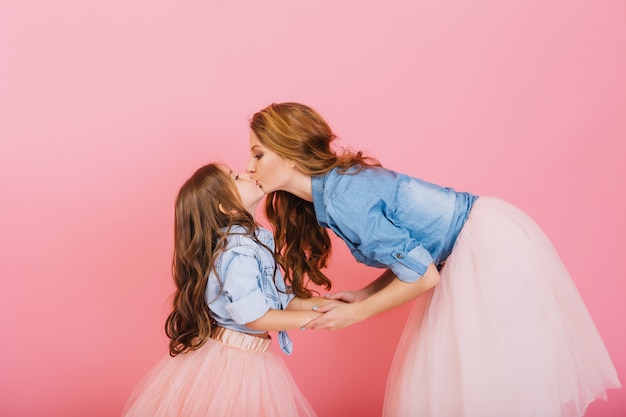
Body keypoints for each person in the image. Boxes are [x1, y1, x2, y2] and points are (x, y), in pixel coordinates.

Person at [245, 102, 621, 417]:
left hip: (485, 250)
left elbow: (424, 276)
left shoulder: (344, 198)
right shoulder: (332, 194)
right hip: (467, 247)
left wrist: (357, 313)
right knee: (472, 380)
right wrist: (364, 294)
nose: (249, 167)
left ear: (291, 155)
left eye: (258, 154)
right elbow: (412, 255)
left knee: (491, 381)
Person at [122, 163, 332, 417]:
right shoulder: (238, 251)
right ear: (225, 206)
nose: (247, 173)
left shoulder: (253, 241)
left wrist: (327, 306)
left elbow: (280, 299)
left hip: (251, 358)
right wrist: (313, 318)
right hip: (233, 365)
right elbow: (254, 316)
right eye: (235, 177)